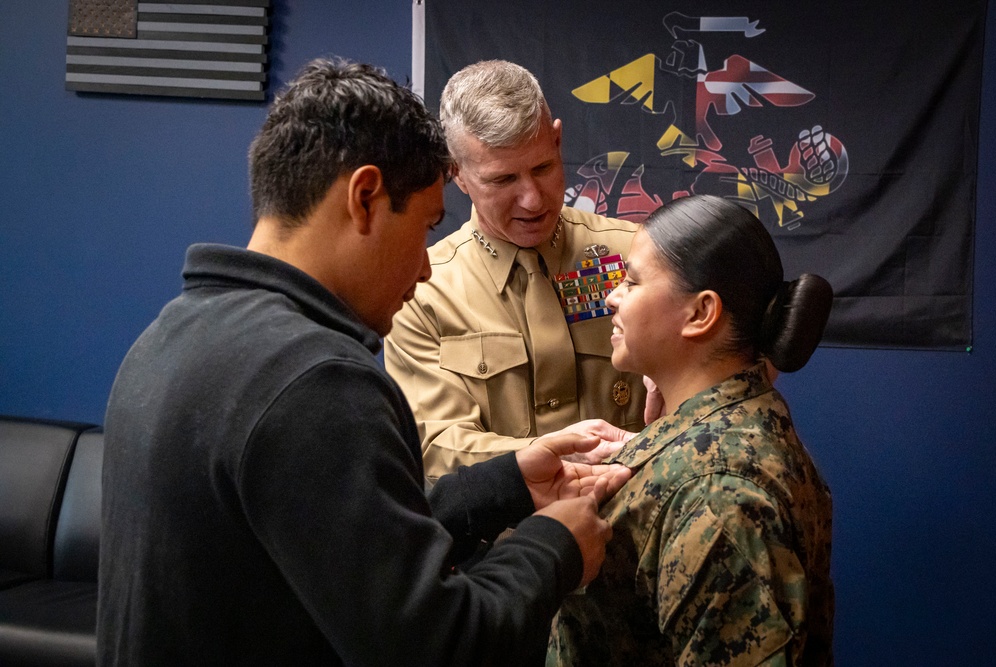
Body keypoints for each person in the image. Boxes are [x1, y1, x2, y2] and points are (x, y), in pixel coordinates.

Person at [97, 57, 633, 666]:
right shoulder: (313, 378)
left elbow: (337, 542)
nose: (427, 265)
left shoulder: (170, 337)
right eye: (427, 226)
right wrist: (555, 544)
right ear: (366, 198)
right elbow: (439, 645)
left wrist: (505, 482)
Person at [548, 195, 836, 666]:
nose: (611, 296)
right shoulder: (739, 423)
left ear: (701, 313)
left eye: (633, 282)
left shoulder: (715, 493)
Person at [385, 60, 646, 480]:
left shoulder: (635, 254)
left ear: (557, 141)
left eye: (542, 168)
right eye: (503, 179)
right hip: (506, 539)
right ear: (456, 172)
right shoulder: (422, 292)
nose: (532, 199)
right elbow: (435, 446)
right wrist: (556, 457)